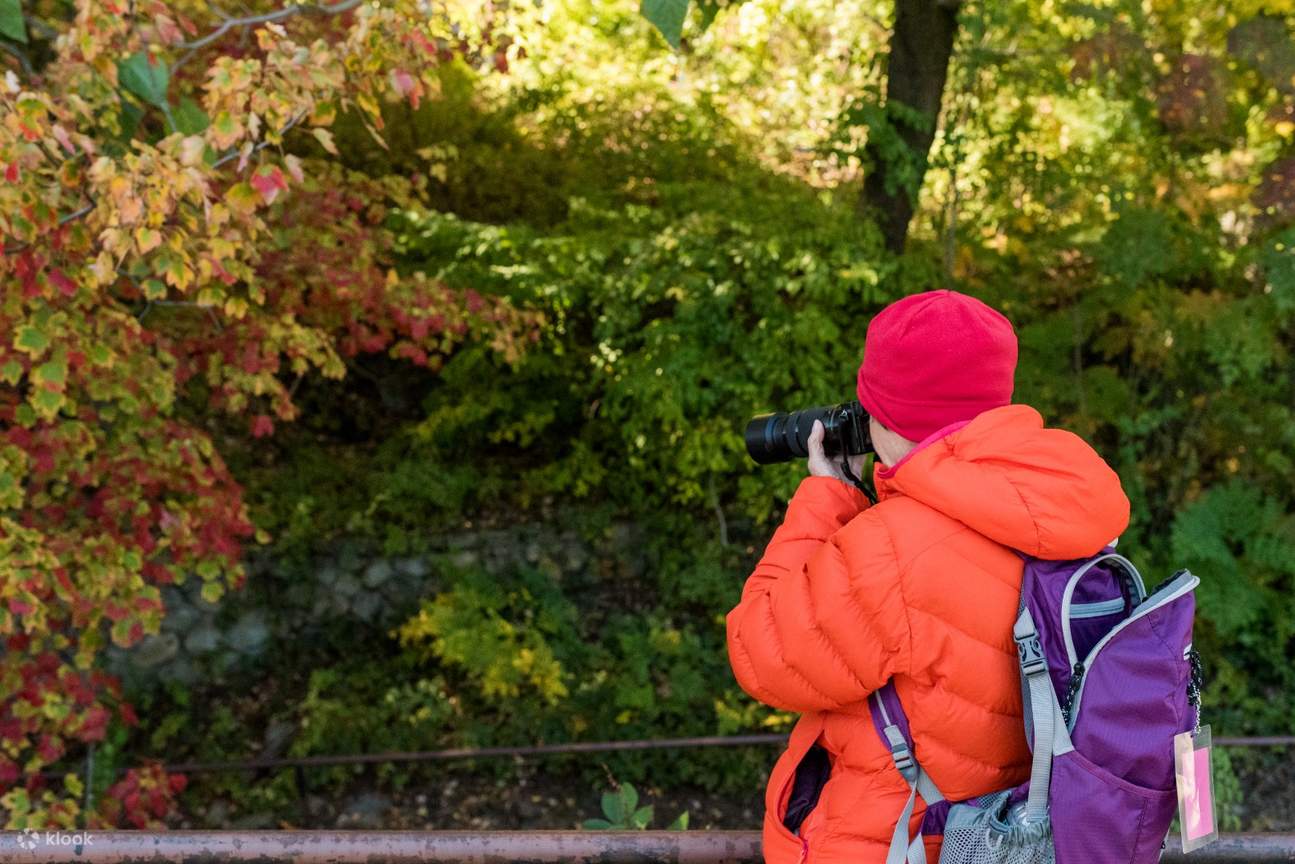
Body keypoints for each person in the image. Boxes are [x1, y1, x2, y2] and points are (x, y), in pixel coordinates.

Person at [726, 290, 1130, 864]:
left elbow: (760, 653)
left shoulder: (894, 546)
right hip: (1021, 833)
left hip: (904, 842)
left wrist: (826, 498)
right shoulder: (1068, 508)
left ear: (888, 414)